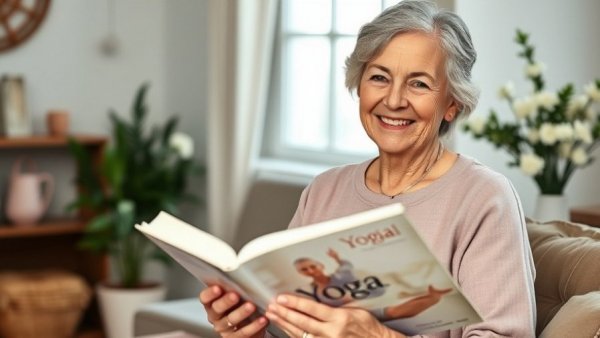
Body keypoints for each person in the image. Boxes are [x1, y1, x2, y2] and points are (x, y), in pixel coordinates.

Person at [199, 1, 536, 337]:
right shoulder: (324, 190)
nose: (393, 100)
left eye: (418, 83)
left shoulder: (484, 198)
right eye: (379, 77)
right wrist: (250, 328)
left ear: (452, 103)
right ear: (359, 86)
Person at [293, 249, 452, 320]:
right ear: (301, 273)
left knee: (405, 273)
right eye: (305, 270)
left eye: (312, 266)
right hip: (359, 311)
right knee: (396, 311)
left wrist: (337, 258)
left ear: (320, 265)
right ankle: (433, 297)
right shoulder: (313, 292)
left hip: (381, 290)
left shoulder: (340, 274)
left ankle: (432, 281)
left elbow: (346, 265)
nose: (311, 271)